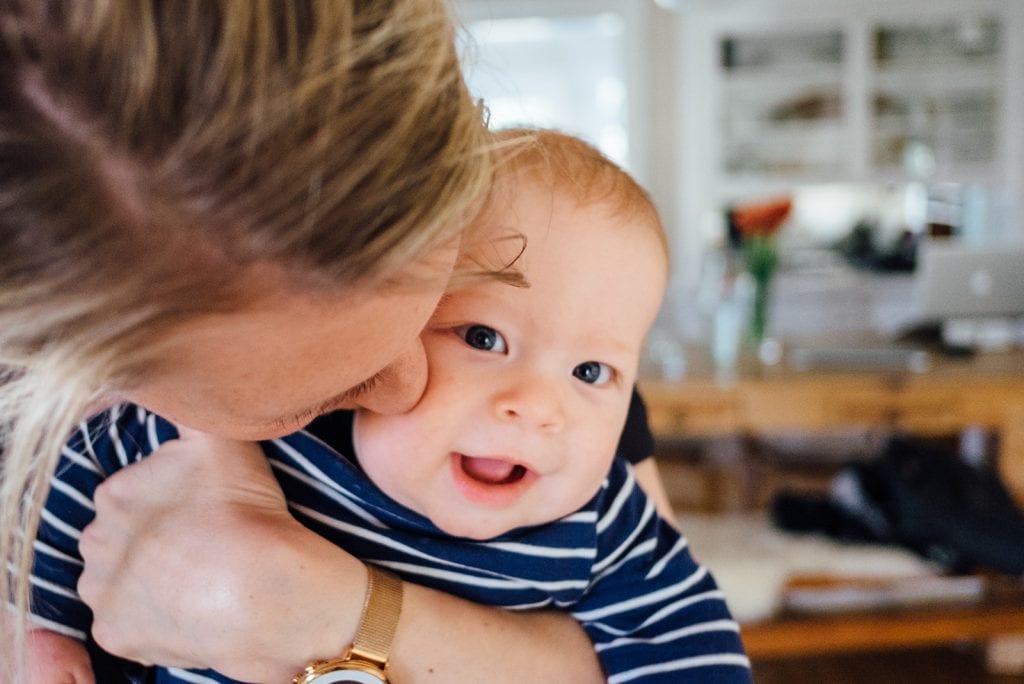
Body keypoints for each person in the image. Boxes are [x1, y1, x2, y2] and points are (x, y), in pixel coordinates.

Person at [0, 3, 678, 682]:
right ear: (86, 376)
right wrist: (42, 633)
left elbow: (675, 646)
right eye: (328, 391)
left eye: (437, 308)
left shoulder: (550, 385)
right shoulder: (123, 434)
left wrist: (342, 615)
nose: (408, 385)